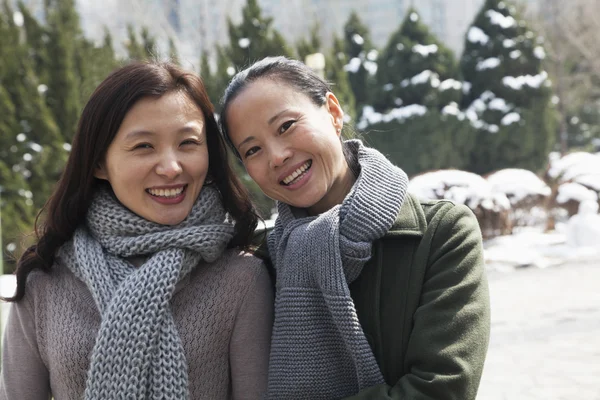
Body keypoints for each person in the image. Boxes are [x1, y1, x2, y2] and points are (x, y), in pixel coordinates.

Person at [219, 56, 490, 400]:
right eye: (252, 149)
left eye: (286, 126)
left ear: (332, 112)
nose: (276, 156)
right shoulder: (256, 260)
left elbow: (443, 388)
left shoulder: (442, 232)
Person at [0, 61, 273, 400]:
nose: (172, 167)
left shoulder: (242, 279)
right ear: (99, 163)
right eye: (144, 146)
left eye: (187, 142)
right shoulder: (45, 280)